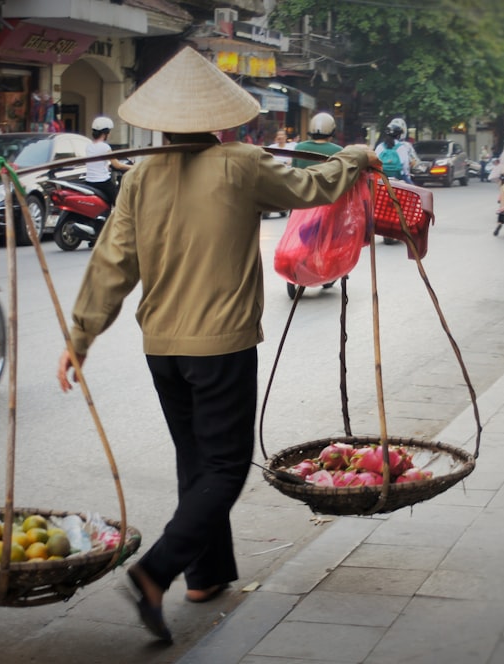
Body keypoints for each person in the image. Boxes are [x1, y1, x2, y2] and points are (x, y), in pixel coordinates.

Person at [55, 46, 379, 643]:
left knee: (195, 460)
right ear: (217, 118)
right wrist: (355, 157)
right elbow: (313, 185)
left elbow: (112, 264)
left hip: (164, 349)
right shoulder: (241, 162)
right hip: (220, 346)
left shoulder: (140, 176)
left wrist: (80, 337)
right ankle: (156, 571)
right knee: (225, 468)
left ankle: (207, 574)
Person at [84, 116, 132, 205]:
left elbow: (97, 162)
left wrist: (107, 166)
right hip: (103, 183)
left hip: (89, 182)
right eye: (109, 132)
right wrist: (134, 167)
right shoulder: (105, 147)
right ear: (105, 133)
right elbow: (118, 165)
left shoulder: (89, 146)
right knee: (120, 204)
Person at [374, 118, 413, 183]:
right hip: (399, 177)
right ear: (399, 135)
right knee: (414, 191)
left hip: (381, 177)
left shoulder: (380, 147)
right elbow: (405, 166)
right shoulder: (402, 147)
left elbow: (375, 161)